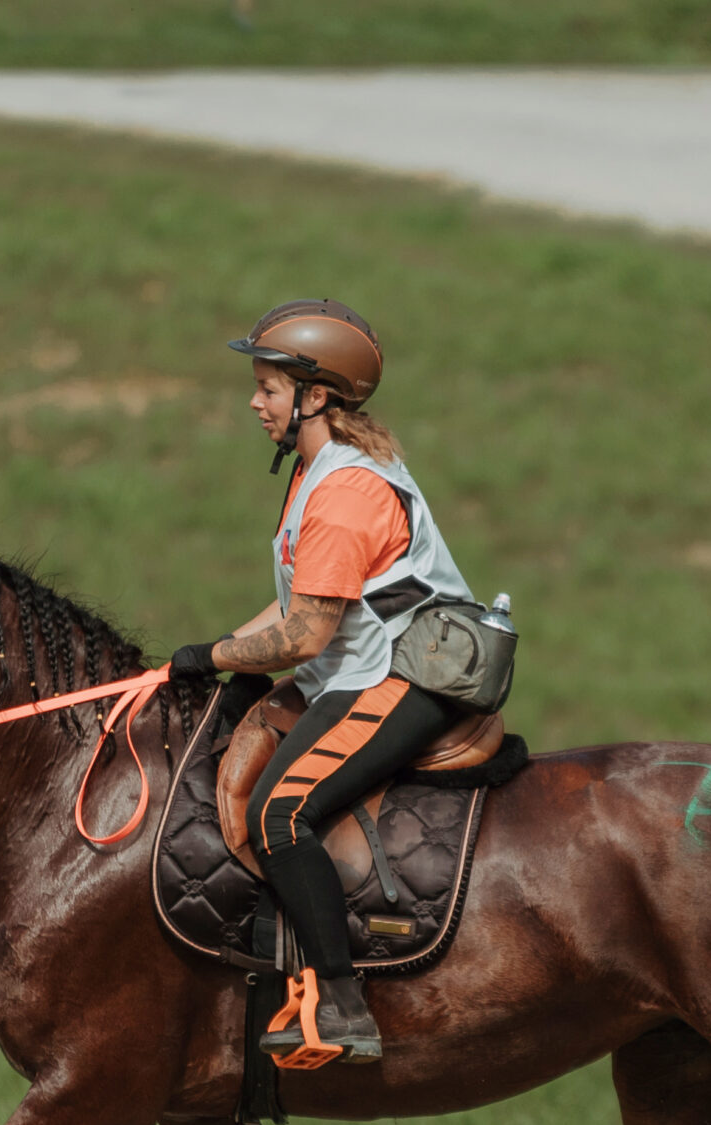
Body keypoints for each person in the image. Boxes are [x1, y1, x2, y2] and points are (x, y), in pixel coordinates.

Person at [165, 300, 479, 1065]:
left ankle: (343, 1007)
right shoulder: (319, 470)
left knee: (282, 810)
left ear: (315, 397)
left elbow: (306, 634)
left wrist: (213, 656)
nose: (255, 403)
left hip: (405, 676)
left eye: (268, 388)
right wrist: (208, 655)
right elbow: (297, 605)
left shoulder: (342, 494)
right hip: (357, 667)